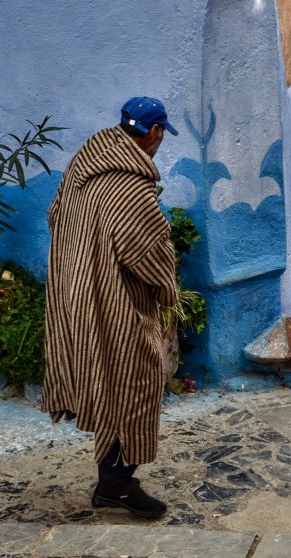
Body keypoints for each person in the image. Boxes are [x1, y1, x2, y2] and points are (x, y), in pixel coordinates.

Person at [41, 97, 179, 519]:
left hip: (74, 295)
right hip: (115, 301)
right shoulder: (131, 187)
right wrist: (168, 285)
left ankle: (113, 479)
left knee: (108, 380)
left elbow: (54, 216)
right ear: (154, 133)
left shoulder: (81, 170)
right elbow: (147, 253)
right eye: (160, 136)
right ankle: (115, 485)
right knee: (136, 383)